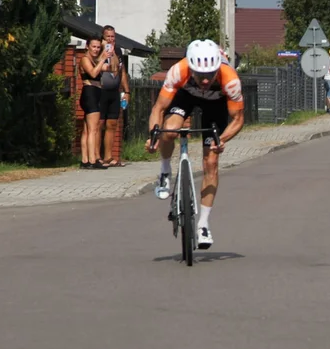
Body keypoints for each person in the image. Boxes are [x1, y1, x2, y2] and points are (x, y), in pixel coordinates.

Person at [146, 39, 245, 250]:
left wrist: (222, 140)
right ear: (191, 68)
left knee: (211, 161)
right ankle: (165, 171)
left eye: (210, 75)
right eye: (201, 76)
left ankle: (203, 225)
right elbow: (158, 109)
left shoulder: (230, 80)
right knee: (170, 130)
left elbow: (238, 119)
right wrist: (154, 137)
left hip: (216, 105)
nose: (206, 80)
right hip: (186, 96)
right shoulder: (178, 71)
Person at [99, 25, 131, 167]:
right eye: (108, 37)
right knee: (99, 124)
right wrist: (105, 49)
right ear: (103, 38)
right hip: (101, 90)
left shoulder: (117, 51)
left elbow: (121, 71)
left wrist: (126, 91)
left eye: (113, 37)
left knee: (112, 124)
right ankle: (97, 156)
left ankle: (108, 157)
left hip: (114, 91)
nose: (111, 39)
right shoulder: (98, 49)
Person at [77, 37, 107, 169]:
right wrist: (103, 59)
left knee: (87, 130)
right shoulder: (85, 59)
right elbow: (94, 74)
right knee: (93, 129)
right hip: (90, 93)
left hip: (94, 93)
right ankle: (92, 160)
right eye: (93, 47)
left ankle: (85, 160)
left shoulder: (95, 61)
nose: (96, 49)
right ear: (87, 46)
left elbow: (112, 68)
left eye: (98, 47)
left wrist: (110, 53)